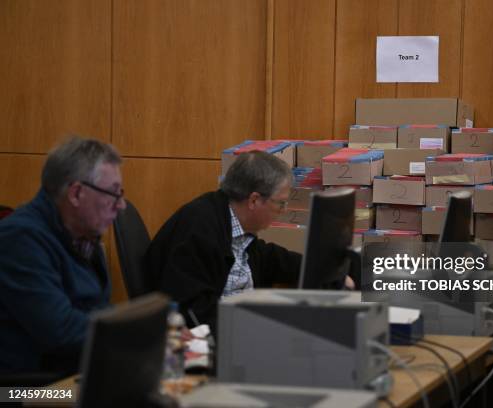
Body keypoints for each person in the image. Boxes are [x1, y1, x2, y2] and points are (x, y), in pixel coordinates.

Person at [0, 136, 126, 377]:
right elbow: (61, 331)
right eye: (113, 193)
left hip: (71, 375)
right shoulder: (19, 240)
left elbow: (99, 313)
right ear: (76, 193)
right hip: (21, 392)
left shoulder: (83, 237)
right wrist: (133, 335)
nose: (121, 206)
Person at [146, 151, 302, 332]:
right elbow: (195, 313)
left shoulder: (234, 222)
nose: (283, 210)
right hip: (212, 339)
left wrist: (323, 268)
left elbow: (270, 258)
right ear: (254, 200)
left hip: (235, 327)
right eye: (281, 203)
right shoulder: (199, 230)